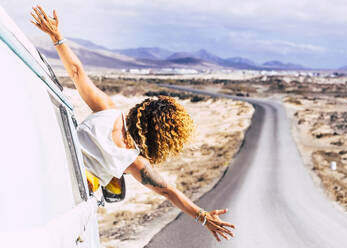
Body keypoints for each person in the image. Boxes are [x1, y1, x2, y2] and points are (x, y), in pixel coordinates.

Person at [30, 5, 235, 242]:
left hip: (44, 168)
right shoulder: (134, 162)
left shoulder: (108, 110)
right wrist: (202, 216)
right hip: (61, 200)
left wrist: (56, 36)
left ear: (143, 109)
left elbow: (76, 73)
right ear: (162, 142)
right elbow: (169, 191)